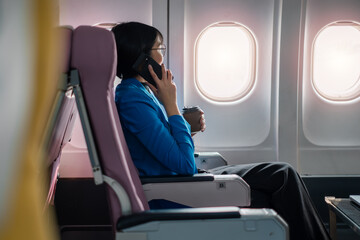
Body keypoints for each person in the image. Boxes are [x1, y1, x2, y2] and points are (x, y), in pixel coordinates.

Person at [112, 22, 330, 240]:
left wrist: (187, 127)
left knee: (282, 175)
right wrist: (172, 107)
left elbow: (164, 147)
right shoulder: (133, 99)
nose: (162, 57)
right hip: (175, 190)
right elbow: (185, 165)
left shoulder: (142, 92)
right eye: (159, 49)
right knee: (280, 180)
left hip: (182, 181)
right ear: (143, 58)